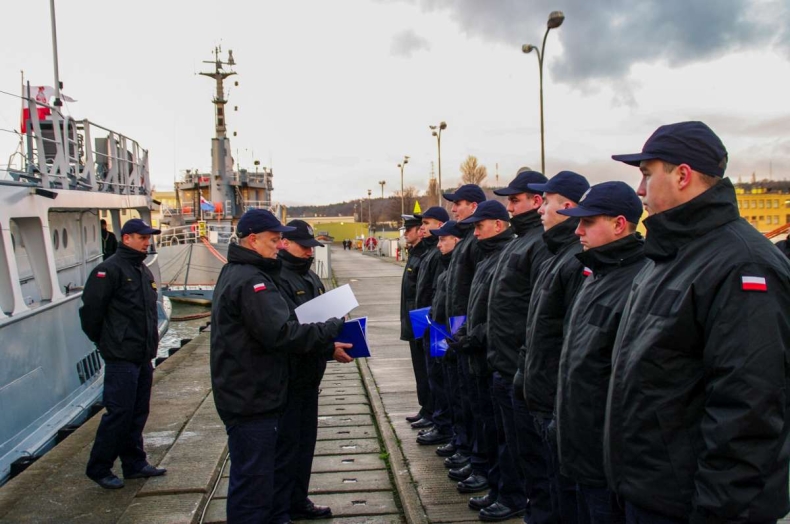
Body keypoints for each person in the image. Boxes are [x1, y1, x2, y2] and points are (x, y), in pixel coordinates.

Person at [605, 121, 790, 524]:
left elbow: (748, 411)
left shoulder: (743, 264)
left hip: (692, 506)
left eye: (647, 174)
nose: (640, 190)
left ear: (683, 176)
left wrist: (717, 512)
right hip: (648, 493)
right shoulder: (670, 257)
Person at [210, 209, 346, 523]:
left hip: (259, 389)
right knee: (253, 483)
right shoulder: (251, 280)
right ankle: (277, 512)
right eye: (274, 240)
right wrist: (329, 331)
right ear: (253, 239)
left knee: (263, 472)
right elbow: (281, 331)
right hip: (252, 395)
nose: (279, 245)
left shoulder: (247, 273)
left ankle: (289, 505)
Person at [554, 181, 647, 524]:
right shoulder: (596, 274)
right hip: (579, 446)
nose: (577, 230)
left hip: (605, 458)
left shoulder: (638, 281)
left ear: (619, 224)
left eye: (587, 222)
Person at [515, 170, 590, 523]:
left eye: (547, 202)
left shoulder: (575, 258)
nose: (541, 209)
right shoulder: (556, 252)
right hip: (538, 388)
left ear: (569, 206)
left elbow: (570, 337)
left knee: (562, 489)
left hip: (552, 397)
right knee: (545, 478)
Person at [479, 169, 552, 522]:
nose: (509, 206)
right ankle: (507, 492)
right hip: (503, 360)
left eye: (515, 199)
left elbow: (536, 311)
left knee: (529, 451)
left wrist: (522, 359)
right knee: (510, 441)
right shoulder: (519, 241)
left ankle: (518, 499)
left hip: (518, 364)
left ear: (537, 201)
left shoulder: (539, 243)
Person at [272, 220, 354, 523]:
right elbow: (288, 330)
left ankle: (297, 499)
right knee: (286, 447)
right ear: (284, 243)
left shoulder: (311, 276)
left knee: (306, 444)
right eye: (304, 246)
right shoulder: (276, 278)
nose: (309, 252)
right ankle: (279, 508)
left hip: (311, 373)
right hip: (288, 376)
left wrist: (330, 348)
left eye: (311, 247)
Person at [80, 218, 166, 489]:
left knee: (138, 412)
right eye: (142, 237)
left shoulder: (142, 271)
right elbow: (91, 313)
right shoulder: (109, 270)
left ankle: (134, 463)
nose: (147, 241)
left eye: (148, 237)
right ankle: (99, 467)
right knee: (119, 413)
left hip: (142, 354)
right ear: (126, 238)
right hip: (121, 356)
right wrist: (107, 342)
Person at [453, 200, 514, 509]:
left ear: (498, 225)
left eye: (480, 226)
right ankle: (494, 483)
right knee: (486, 424)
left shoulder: (505, 255)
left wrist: (475, 335)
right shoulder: (490, 256)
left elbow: (510, 313)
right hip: (478, 351)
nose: (475, 232)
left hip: (493, 356)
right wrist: (464, 332)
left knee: (500, 433)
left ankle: (506, 491)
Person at [442, 184, 488, 493]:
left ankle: (480, 460)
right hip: (456, 325)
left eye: (458, 204)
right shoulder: (467, 241)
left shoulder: (476, 243)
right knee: (462, 395)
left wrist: (465, 329)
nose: (453, 209)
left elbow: (478, 294)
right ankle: (471, 452)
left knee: (475, 402)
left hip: (467, 328)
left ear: (473, 206)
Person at [412, 207, 453, 446]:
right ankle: (433, 415)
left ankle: (441, 423)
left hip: (435, 321)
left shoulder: (439, 253)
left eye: (427, 223)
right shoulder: (430, 251)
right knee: (428, 369)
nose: (422, 228)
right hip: (423, 316)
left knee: (438, 373)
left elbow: (439, 291)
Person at [426, 220, 462, 454]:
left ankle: (457, 438)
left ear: (456, 241)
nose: (438, 245)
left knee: (457, 393)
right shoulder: (447, 267)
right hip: (438, 331)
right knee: (440, 381)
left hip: (452, 335)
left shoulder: (460, 268)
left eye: (443, 239)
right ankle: (451, 432)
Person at [401, 214, 434, 429]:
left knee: (427, 368)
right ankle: (426, 408)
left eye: (408, 229)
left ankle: (432, 411)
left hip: (421, 318)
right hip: (413, 319)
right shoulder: (415, 255)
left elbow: (424, 293)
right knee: (420, 369)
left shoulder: (424, 256)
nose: (405, 233)